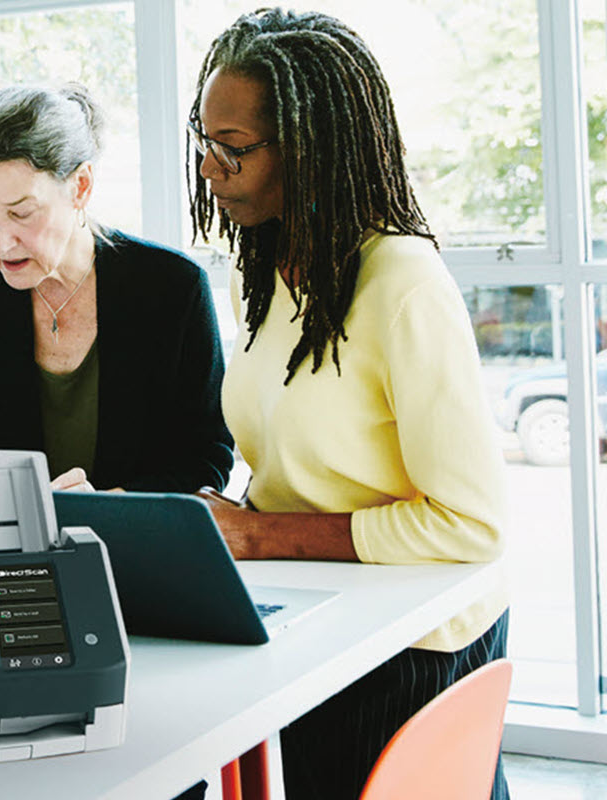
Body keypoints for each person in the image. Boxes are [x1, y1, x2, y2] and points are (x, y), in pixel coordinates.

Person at [187, 9, 509, 800]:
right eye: (204, 139)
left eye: (233, 148)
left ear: (310, 149)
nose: (208, 168)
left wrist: (262, 536)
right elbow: (302, 463)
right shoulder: (259, 274)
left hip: (413, 643)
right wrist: (211, 529)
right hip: (318, 614)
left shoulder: (402, 283)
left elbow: (472, 526)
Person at [0, 84, 233, 493]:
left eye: (21, 213)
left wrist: (117, 509)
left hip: (140, 547)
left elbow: (206, 456)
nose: (0, 243)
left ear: (81, 187)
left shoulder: (173, 288)